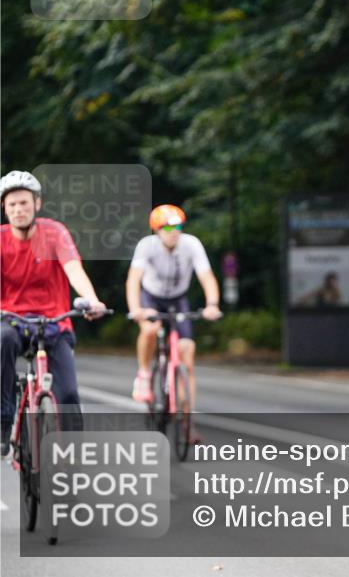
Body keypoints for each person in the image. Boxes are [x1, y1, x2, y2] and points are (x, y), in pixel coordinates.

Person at [0, 170, 108, 455]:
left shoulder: (54, 232)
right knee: (2, 340)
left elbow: (73, 268)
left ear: (37, 203)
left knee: (68, 393)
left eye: (24, 203)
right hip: (12, 321)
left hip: (54, 323)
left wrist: (91, 299)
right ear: (5, 209)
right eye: (12, 205)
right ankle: (3, 422)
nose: (18, 209)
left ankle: (72, 459)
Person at [126, 204, 221, 442]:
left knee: (187, 354)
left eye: (177, 227)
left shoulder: (191, 244)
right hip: (152, 297)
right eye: (167, 228)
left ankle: (187, 424)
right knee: (150, 329)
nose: (173, 232)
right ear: (157, 230)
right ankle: (144, 373)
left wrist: (212, 304)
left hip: (178, 299)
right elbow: (133, 280)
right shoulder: (146, 246)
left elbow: (207, 277)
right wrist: (136, 309)